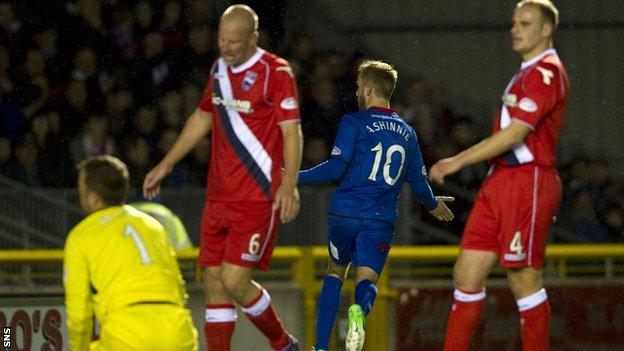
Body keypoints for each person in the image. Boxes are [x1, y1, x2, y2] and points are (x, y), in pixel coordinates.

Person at [142, 4, 303, 351]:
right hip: (218, 197)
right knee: (214, 282)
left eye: (234, 41)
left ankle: (281, 342)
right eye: (221, 39)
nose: (225, 47)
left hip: (258, 196)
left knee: (234, 279)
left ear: (253, 38)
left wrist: (288, 184)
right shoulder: (217, 70)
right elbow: (202, 117)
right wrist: (167, 164)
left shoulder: (276, 72)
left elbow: (292, 132)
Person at [428, 1, 570, 350]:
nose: (515, 29)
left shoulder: (546, 72)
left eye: (525, 23)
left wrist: (458, 160)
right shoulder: (525, 72)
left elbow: (515, 135)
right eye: (514, 23)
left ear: (546, 29)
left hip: (528, 181)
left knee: (523, 278)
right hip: (500, 180)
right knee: (466, 274)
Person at [299, 60, 455, 351]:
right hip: (380, 219)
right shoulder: (408, 132)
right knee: (367, 277)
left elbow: (335, 169)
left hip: (344, 213)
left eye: (359, 86)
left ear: (368, 88)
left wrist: (294, 179)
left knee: (335, 271)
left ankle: (320, 347)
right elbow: (418, 184)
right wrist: (433, 205)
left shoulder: (354, 122)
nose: (357, 91)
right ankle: (359, 310)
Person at [63, 155, 198, 351]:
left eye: (81, 189)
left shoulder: (80, 235)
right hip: (177, 333)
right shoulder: (153, 226)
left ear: (93, 198)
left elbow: (79, 315)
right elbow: (179, 288)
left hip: (125, 336)